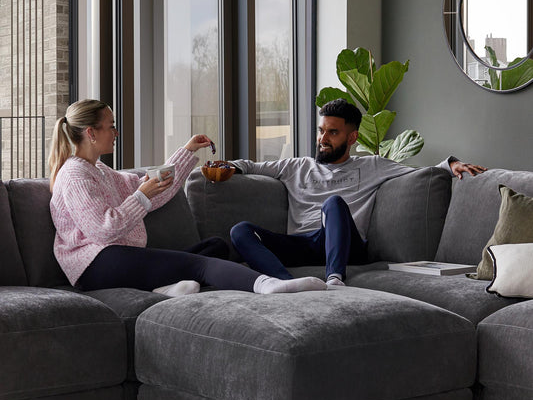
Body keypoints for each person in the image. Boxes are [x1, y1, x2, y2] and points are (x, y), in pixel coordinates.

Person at [48, 99, 327, 296]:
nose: (116, 132)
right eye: (111, 126)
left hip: (116, 257)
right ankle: (268, 285)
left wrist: (186, 151)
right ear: (91, 133)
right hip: (93, 265)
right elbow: (103, 228)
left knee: (215, 246)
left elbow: (155, 188)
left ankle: (165, 288)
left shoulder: (100, 171)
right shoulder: (75, 174)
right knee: (201, 265)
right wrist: (141, 196)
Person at [230, 98, 487, 288]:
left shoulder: (371, 165)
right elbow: (251, 165)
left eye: (333, 132)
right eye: (321, 131)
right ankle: (285, 283)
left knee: (333, 204)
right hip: (304, 244)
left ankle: (334, 280)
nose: (323, 139)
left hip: (347, 245)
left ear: (351, 138)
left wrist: (451, 164)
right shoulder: (296, 166)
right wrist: (226, 166)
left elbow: (422, 172)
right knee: (240, 230)